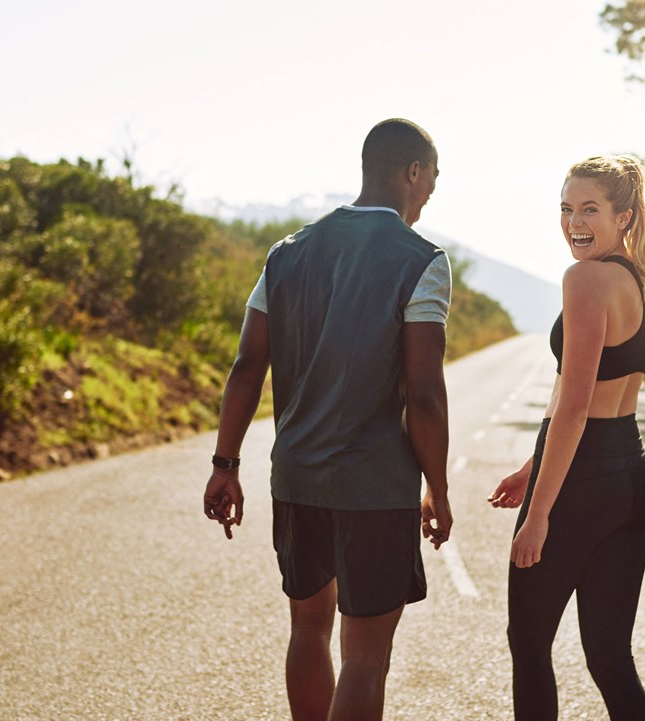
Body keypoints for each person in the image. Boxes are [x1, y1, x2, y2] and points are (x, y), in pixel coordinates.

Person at [203, 118, 453, 721]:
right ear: (412, 171)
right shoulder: (423, 261)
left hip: (297, 479)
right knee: (366, 659)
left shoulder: (286, 253)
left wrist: (225, 465)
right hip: (374, 487)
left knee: (307, 629)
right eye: (432, 178)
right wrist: (438, 487)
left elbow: (247, 365)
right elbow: (423, 395)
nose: (430, 192)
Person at [488, 155, 645, 720]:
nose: (574, 223)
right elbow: (579, 389)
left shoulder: (584, 279)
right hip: (631, 476)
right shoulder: (636, 281)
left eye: (589, 209)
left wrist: (540, 512)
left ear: (624, 216)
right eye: (566, 209)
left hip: (582, 483)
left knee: (529, 642)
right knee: (610, 657)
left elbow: (575, 406)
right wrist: (532, 466)